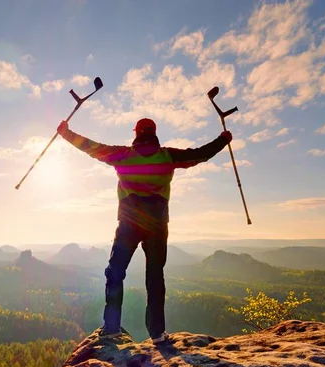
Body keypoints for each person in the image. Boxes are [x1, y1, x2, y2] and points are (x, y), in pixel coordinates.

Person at [57, 118, 232, 343]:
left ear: (137, 133)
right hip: (157, 226)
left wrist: (66, 133)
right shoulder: (168, 156)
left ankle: (111, 327)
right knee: (155, 277)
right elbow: (200, 154)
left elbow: (90, 147)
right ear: (154, 133)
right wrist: (223, 140)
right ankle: (157, 334)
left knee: (115, 272)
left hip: (129, 224)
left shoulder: (123, 155)